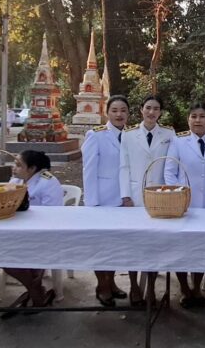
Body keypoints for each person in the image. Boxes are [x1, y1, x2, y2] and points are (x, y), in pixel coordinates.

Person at [119, 95, 175, 306]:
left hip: (160, 196)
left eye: (156, 108)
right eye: (148, 108)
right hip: (135, 195)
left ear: (160, 112)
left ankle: (151, 288)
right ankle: (134, 286)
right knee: (134, 243)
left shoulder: (169, 134)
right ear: (141, 110)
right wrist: (125, 195)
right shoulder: (129, 134)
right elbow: (123, 166)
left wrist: (171, 193)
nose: (152, 112)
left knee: (155, 244)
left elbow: (171, 166)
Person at [164, 102, 205, 309]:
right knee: (182, 248)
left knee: (201, 248)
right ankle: (184, 287)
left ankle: (196, 288)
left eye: (202, 116)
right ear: (188, 119)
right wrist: (178, 195)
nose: (198, 120)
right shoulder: (178, 141)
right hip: (184, 205)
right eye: (193, 116)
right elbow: (169, 171)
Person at [0, 150, 62, 318]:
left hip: (44, 234)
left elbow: (53, 216)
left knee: (18, 256)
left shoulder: (48, 182)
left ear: (33, 168)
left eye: (19, 165)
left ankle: (35, 292)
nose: (14, 168)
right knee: (0, 253)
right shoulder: (16, 180)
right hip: (18, 231)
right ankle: (36, 289)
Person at [82, 95, 130, 305]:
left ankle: (111, 283)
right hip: (102, 200)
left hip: (124, 200)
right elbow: (89, 170)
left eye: (123, 111)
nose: (119, 114)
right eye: (115, 110)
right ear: (107, 112)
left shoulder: (131, 135)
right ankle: (102, 285)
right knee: (101, 246)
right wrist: (92, 203)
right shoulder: (96, 135)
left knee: (117, 246)